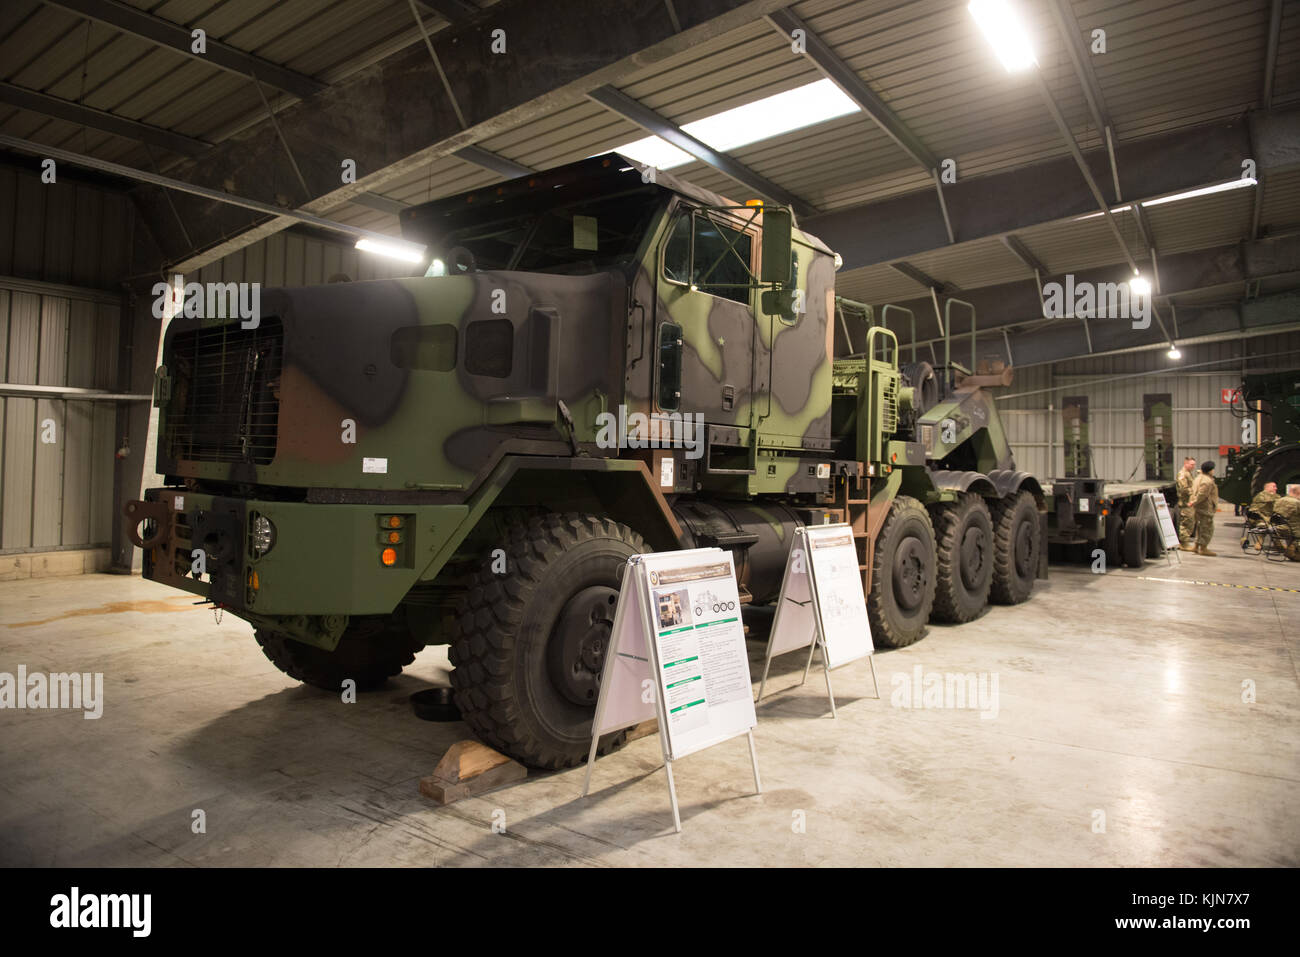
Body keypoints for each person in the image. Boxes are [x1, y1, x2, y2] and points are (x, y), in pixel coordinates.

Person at [1182, 460, 1220, 555]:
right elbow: (1202, 495)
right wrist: (1194, 502)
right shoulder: (1207, 481)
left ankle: (1196, 546)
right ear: (1210, 470)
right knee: (1207, 528)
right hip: (1205, 508)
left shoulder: (1198, 478)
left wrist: (1193, 502)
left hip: (1199, 507)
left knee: (1200, 528)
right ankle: (1203, 548)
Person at [1272, 484, 1300, 561]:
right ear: (1298, 493)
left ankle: (1291, 547)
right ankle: (1293, 550)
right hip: (1294, 532)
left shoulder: (1278, 500)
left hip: (1279, 529)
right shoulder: (1297, 503)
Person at [1175, 456, 1197, 545]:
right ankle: (1183, 543)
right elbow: (1183, 489)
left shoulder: (1188, 473)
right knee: (1185, 523)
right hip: (1185, 503)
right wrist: (1194, 491)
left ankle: (1185, 542)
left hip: (1189, 503)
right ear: (1186, 463)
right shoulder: (1183, 474)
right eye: (1191, 464)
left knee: (1190, 522)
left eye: (1194, 465)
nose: (1193, 466)